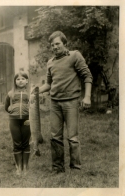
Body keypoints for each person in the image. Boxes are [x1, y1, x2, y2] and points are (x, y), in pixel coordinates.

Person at [35, 31, 93, 173]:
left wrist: (87, 97)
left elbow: (87, 76)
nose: (54, 47)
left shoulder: (74, 55)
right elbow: (49, 84)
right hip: (54, 103)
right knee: (55, 137)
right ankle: (58, 168)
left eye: (57, 44)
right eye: (52, 45)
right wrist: (36, 91)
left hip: (71, 102)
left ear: (65, 44)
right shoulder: (50, 62)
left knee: (72, 137)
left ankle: (75, 168)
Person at [5, 71, 31, 176]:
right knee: (17, 143)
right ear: (15, 81)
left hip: (27, 120)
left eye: (23, 79)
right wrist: (9, 108)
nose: (20, 81)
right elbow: (6, 107)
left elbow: (36, 106)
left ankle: (25, 167)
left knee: (25, 143)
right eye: (18, 79)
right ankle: (18, 168)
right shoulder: (11, 94)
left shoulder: (30, 93)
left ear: (27, 81)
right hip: (14, 120)